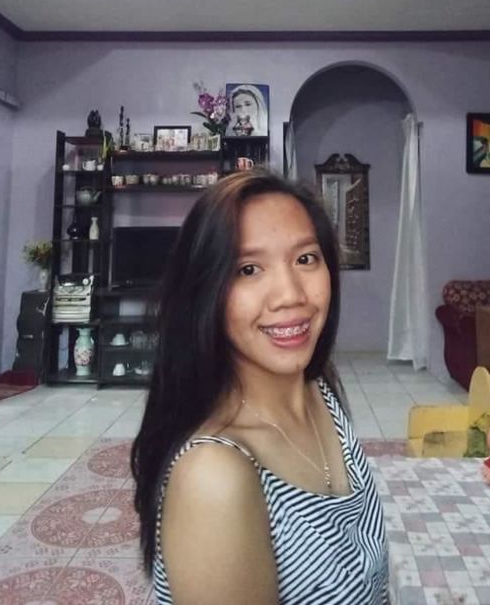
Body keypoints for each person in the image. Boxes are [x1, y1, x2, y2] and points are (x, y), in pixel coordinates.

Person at [131, 170, 389, 604]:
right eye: (248, 269)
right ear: (204, 292)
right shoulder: (214, 477)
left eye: (306, 259)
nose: (290, 295)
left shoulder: (316, 388)